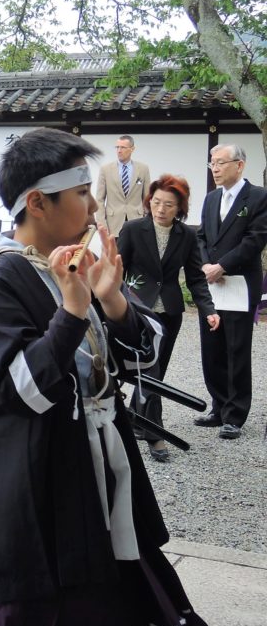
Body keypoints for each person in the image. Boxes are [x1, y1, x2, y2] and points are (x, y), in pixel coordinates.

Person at [0, 127, 211, 626]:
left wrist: (113, 302)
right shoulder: (0, 283)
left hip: (93, 461)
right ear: (37, 202)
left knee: (91, 598)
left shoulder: (74, 264)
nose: (94, 206)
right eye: (81, 192)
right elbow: (24, 389)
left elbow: (148, 350)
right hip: (37, 474)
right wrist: (73, 312)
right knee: (41, 612)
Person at [117, 175, 219, 462]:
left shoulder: (187, 235)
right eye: (157, 202)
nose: (161, 209)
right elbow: (117, 270)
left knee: (156, 372)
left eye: (169, 205)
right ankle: (155, 434)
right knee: (149, 371)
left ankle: (138, 419)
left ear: (180, 208)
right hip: (137, 311)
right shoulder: (133, 229)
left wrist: (209, 310)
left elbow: (197, 278)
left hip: (170, 314)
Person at [195, 144, 267, 439]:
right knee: (211, 347)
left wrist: (222, 265)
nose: (215, 168)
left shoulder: (258, 197)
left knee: (236, 348)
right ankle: (218, 405)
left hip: (238, 282)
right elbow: (200, 236)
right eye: (212, 162)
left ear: (240, 165)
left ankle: (235, 414)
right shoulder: (211, 198)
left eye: (221, 162)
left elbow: (255, 239)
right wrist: (205, 266)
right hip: (212, 283)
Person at [94, 135, 151, 235]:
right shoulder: (106, 170)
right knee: (115, 250)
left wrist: (147, 222)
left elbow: (147, 198)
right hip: (113, 224)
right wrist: (102, 225)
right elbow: (99, 199)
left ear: (132, 149)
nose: (119, 151)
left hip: (137, 221)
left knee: (136, 250)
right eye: (117, 147)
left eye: (123, 147)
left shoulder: (143, 169)